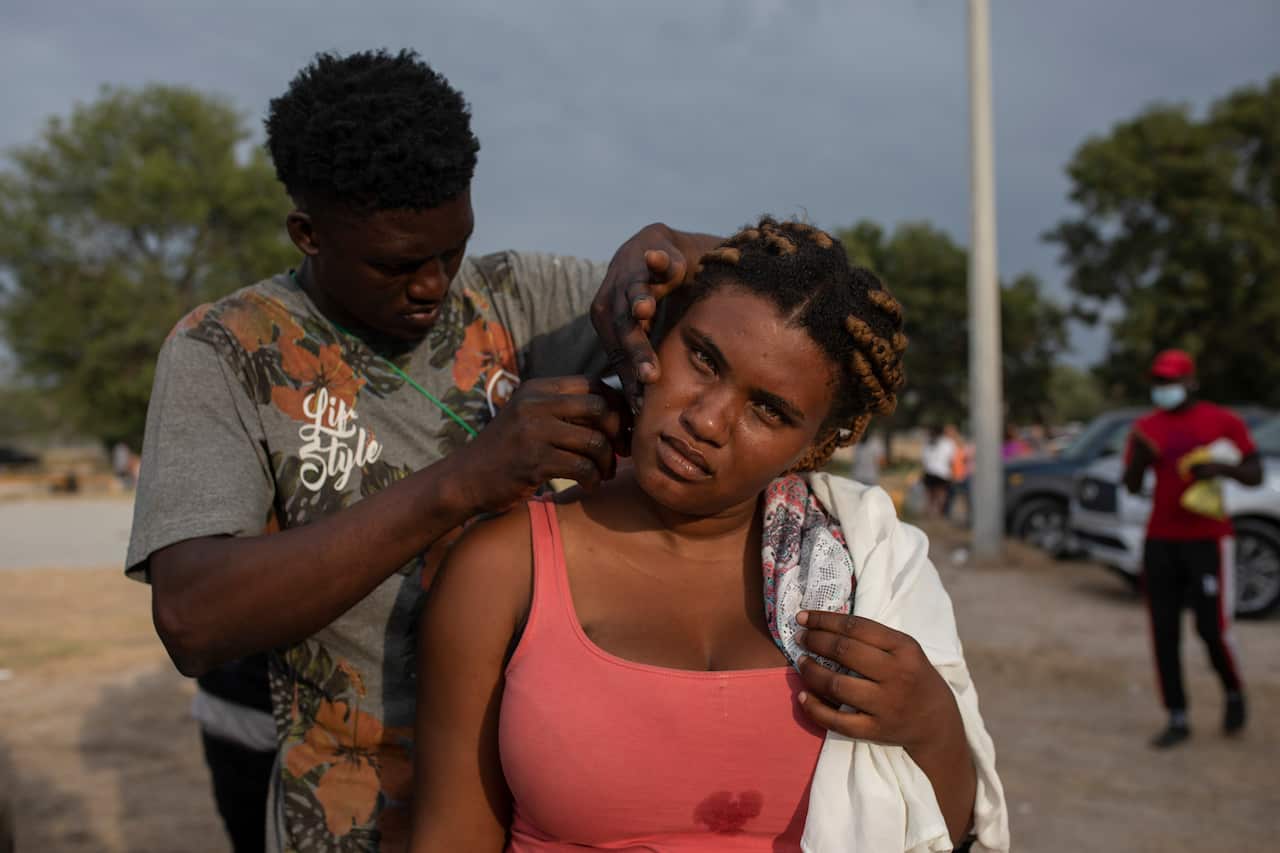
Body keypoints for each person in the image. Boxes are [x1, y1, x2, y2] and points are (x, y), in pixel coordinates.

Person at [126, 49, 721, 852]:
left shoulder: (520, 298)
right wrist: (464, 481)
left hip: (546, 794)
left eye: (453, 249)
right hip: (350, 813)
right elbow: (193, 618)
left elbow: (799, 306)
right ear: (308, 232)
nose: (435, 285)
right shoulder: (225, 351)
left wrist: (685, 250)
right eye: (398, 263)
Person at [411, 219, 1006, 852]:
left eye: (769, 411)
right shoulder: (506, 567)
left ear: (818, 446)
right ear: (655, 338)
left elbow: (948, 834)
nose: (707, 419)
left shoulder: (866, 569)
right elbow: (451, 836)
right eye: (702, 359)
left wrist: (933, 725)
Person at [1123, 349, 1261, 749]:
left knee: (1211, 628)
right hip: (1161, 540)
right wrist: (1140, 462)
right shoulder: (1145, 428)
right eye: (1158, 382)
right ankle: (1177, 714)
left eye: (1171, 381)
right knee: (1164, 631)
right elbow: (1131, 485)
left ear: (1191, 382)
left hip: (1208, 539)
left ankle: (1233, 690)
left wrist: (1222, 468)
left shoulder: (1222, 422)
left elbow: (1255, 473)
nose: (1163, 389)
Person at [920, 426, 955, 518]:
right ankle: (938, 512)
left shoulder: (928, 442)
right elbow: (951, 460)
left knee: (930, 495)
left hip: (929, 471)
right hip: (943, 472)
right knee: (941, 494)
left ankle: (931, 512)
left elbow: (924, 459)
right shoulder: (948, 443)